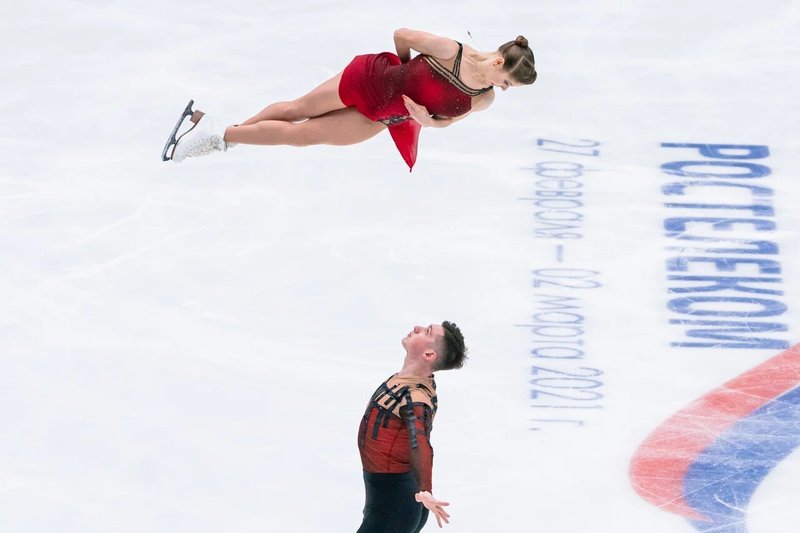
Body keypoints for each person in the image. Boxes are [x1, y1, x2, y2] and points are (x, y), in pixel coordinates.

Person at [165, 28, 536, 170]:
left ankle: (215, 132)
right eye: (506, 82)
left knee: (301, 136)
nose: (501, 90)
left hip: (382, 118)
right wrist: (404, 73)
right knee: (296, 110)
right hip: (371, 80)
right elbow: (402, 35)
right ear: (499, 62)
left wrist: (427, 122)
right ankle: (219, 136)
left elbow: (449, 119)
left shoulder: (483, 98)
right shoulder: (450, 50)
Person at [356, 321, 468, 532]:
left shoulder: (415, 397)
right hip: (390, 499)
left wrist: (425, 488)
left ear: (428, 355)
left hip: (395, 506)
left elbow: (420, 440)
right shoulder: (408, 380)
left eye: (426, 332)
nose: (417, 327)